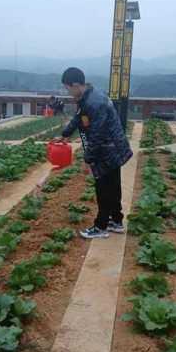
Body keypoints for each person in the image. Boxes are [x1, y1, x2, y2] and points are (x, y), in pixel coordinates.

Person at [60, 67, 133, 239]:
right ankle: (116, 221)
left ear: (76, 85)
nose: (68, 92)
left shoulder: (94, 102)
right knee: (113, 186)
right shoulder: (88, 96)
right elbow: (79, 117)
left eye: (67, 88)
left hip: (108, 150)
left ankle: (101, 226)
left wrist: (88, 159)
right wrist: (65, 134)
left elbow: (97, 135)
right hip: (112, 148)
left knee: (104, 188)